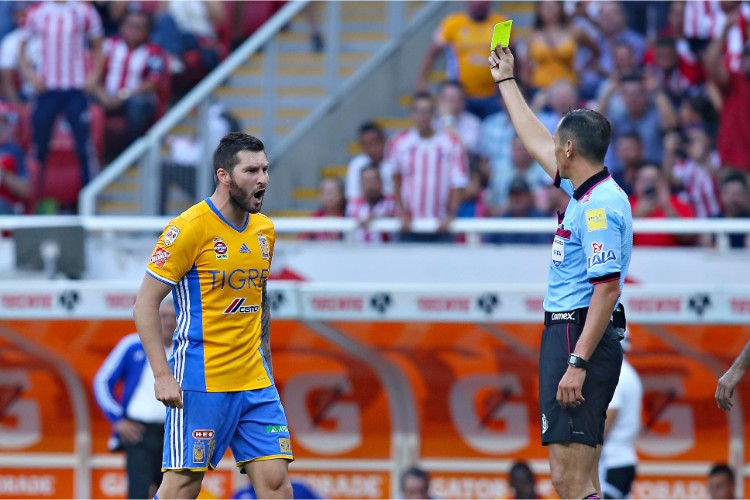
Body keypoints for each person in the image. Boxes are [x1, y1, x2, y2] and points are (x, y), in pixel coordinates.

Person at [488, 45, 632, 499]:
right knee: (583, 479)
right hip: (574, 333)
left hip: (575, 333)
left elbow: (606, 291)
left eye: (557, 142)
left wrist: (576, 363)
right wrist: (506, 81)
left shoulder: (598, 208)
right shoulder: (588, 191)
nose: (550, 147)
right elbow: (535, 141)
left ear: (569, 148)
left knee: (568, 479)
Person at [132, 132, 293, 499]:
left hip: (255, 380)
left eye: (265, 169)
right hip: (201, 380)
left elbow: (259, 297)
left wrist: (266, 355)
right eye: (251, 171)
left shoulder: (264, 230)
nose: (263, 179)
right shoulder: (188, 228)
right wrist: (162, 376)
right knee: (183, 487)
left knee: (277, 484)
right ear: (224, 176)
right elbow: (144, 305)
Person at [93, 299, 176, 499]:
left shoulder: (187, 349)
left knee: (175, 492)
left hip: (174, 433)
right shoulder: (133, 344)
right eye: (164, 316)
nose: (169, 322)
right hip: (139, 432)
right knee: (138, 492)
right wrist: (118, 419)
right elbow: (102, 381)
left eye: (175, 317)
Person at [19, 0, 104, 190]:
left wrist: (94, 76)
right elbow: (22, 47)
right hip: (47, 89)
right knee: (39, 146)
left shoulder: (84, 10)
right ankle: (35, 196)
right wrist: (31, 76)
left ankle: (87, 198)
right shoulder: (37, 12)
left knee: (83, 146)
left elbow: (99, 46)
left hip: (76, 88)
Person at [388, 92, 468, 242]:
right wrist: (402, 213)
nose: (423, 116)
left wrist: (451, 215)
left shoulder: (450, 143)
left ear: (434, 114)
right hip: (410, 225)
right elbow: (395, 180)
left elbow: (458, 181)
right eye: (418, 111)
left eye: (427, 111)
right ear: (412, 114)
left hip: (441, 226)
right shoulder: (398, 142)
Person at [94, 10, 168, 157]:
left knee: (138, 104)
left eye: (139, 27)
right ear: (121, 27)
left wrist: (124, 95)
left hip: (133, 97)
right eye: (130, 25)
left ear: (147, 31)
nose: (134, 30)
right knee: (81, 101)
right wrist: (101, 94)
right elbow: (92, 73)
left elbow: (154, 81)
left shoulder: (153, 51)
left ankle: (129, 154)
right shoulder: (108, 45)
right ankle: (93, 153)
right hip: (105, 95)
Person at [416, 1, 506, 118]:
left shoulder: (500, 24)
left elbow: (509, 57)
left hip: (493, 95)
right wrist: (422, 81)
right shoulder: (453, 23)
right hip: (460, 97)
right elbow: (432, 54)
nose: (479, 3)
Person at [599, 330, 642, 499]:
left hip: (612, 461)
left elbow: (609, 416)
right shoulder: (628, 372)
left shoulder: (616, 373)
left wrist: (585, 449)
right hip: (622, 459)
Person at [703, 25, 750, 172]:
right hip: (733, 166)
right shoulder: (736, 82)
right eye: (748, 57)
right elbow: (710, 64)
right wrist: (723, 32)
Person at [629, 164, 695, 247]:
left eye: (653, 180)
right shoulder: (625, 204)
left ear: (663, 182)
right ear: (635, 184)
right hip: (636, 254)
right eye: (644, 180)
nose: (649, 184)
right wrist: (636, 214)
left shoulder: (678, 202)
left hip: (672, 254)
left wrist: (666, 206)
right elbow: (616, 236)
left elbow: (687, 236)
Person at [346, 165, 398, 243]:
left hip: (387, 249)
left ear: (381, 182)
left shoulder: (392, 202)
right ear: (360, 184)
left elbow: (396, 216)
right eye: (366, 181)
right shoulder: (353, 205)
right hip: (360, 249)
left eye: (373, 180)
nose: (370, 185)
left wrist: (375, 219)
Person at [344, 121, 395, 200]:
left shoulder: (395, 162)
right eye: (365, 144)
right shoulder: (356, 165)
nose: (371, 148)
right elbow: (353, 196)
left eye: (374, 143)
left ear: (383, 141)